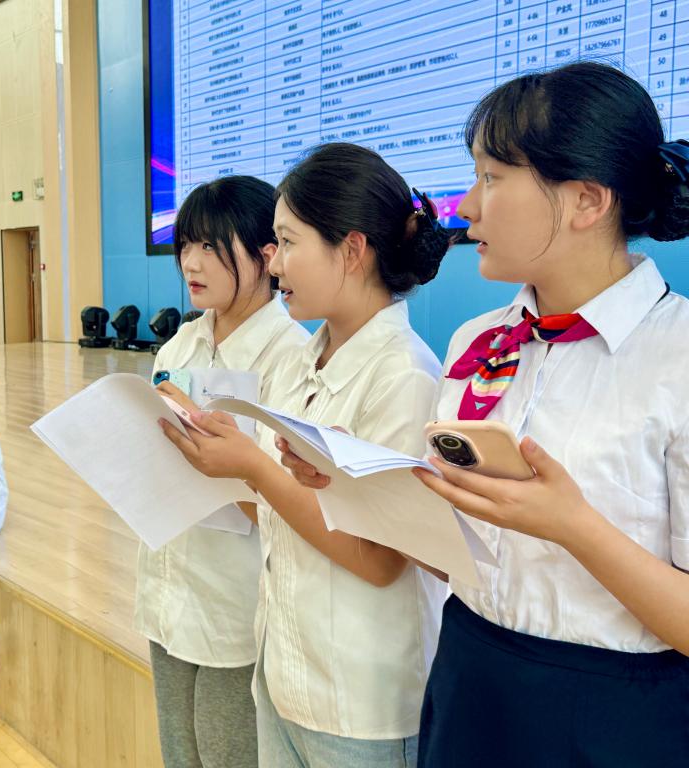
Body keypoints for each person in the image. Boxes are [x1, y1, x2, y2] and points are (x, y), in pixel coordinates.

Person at [278, 63, 689, 767]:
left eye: (492, 177)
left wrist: (574, 527)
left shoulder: (676, 356)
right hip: (468, 675)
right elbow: (454, 559)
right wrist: (356, 481)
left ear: (586, 200)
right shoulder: (479, 344)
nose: (467, 205)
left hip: (613, 713)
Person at [161, 144, 452, 768]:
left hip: (360, 701)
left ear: (351, 250)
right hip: (286, 675)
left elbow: (380, 561)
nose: (276, 260)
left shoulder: (404, 375)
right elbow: (283, 508)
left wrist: (254, 468)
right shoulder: (301, 361)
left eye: (289, 242)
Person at [135, 175, 309, 768]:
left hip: (237, 605)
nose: (191, 262)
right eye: (186, 244)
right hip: (169, 590)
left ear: (267, 255)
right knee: (179, 756)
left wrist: (226, 465)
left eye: (211, 246)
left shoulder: (290, 357)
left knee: (226, 755)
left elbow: (287, 500)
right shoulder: (179, 346)